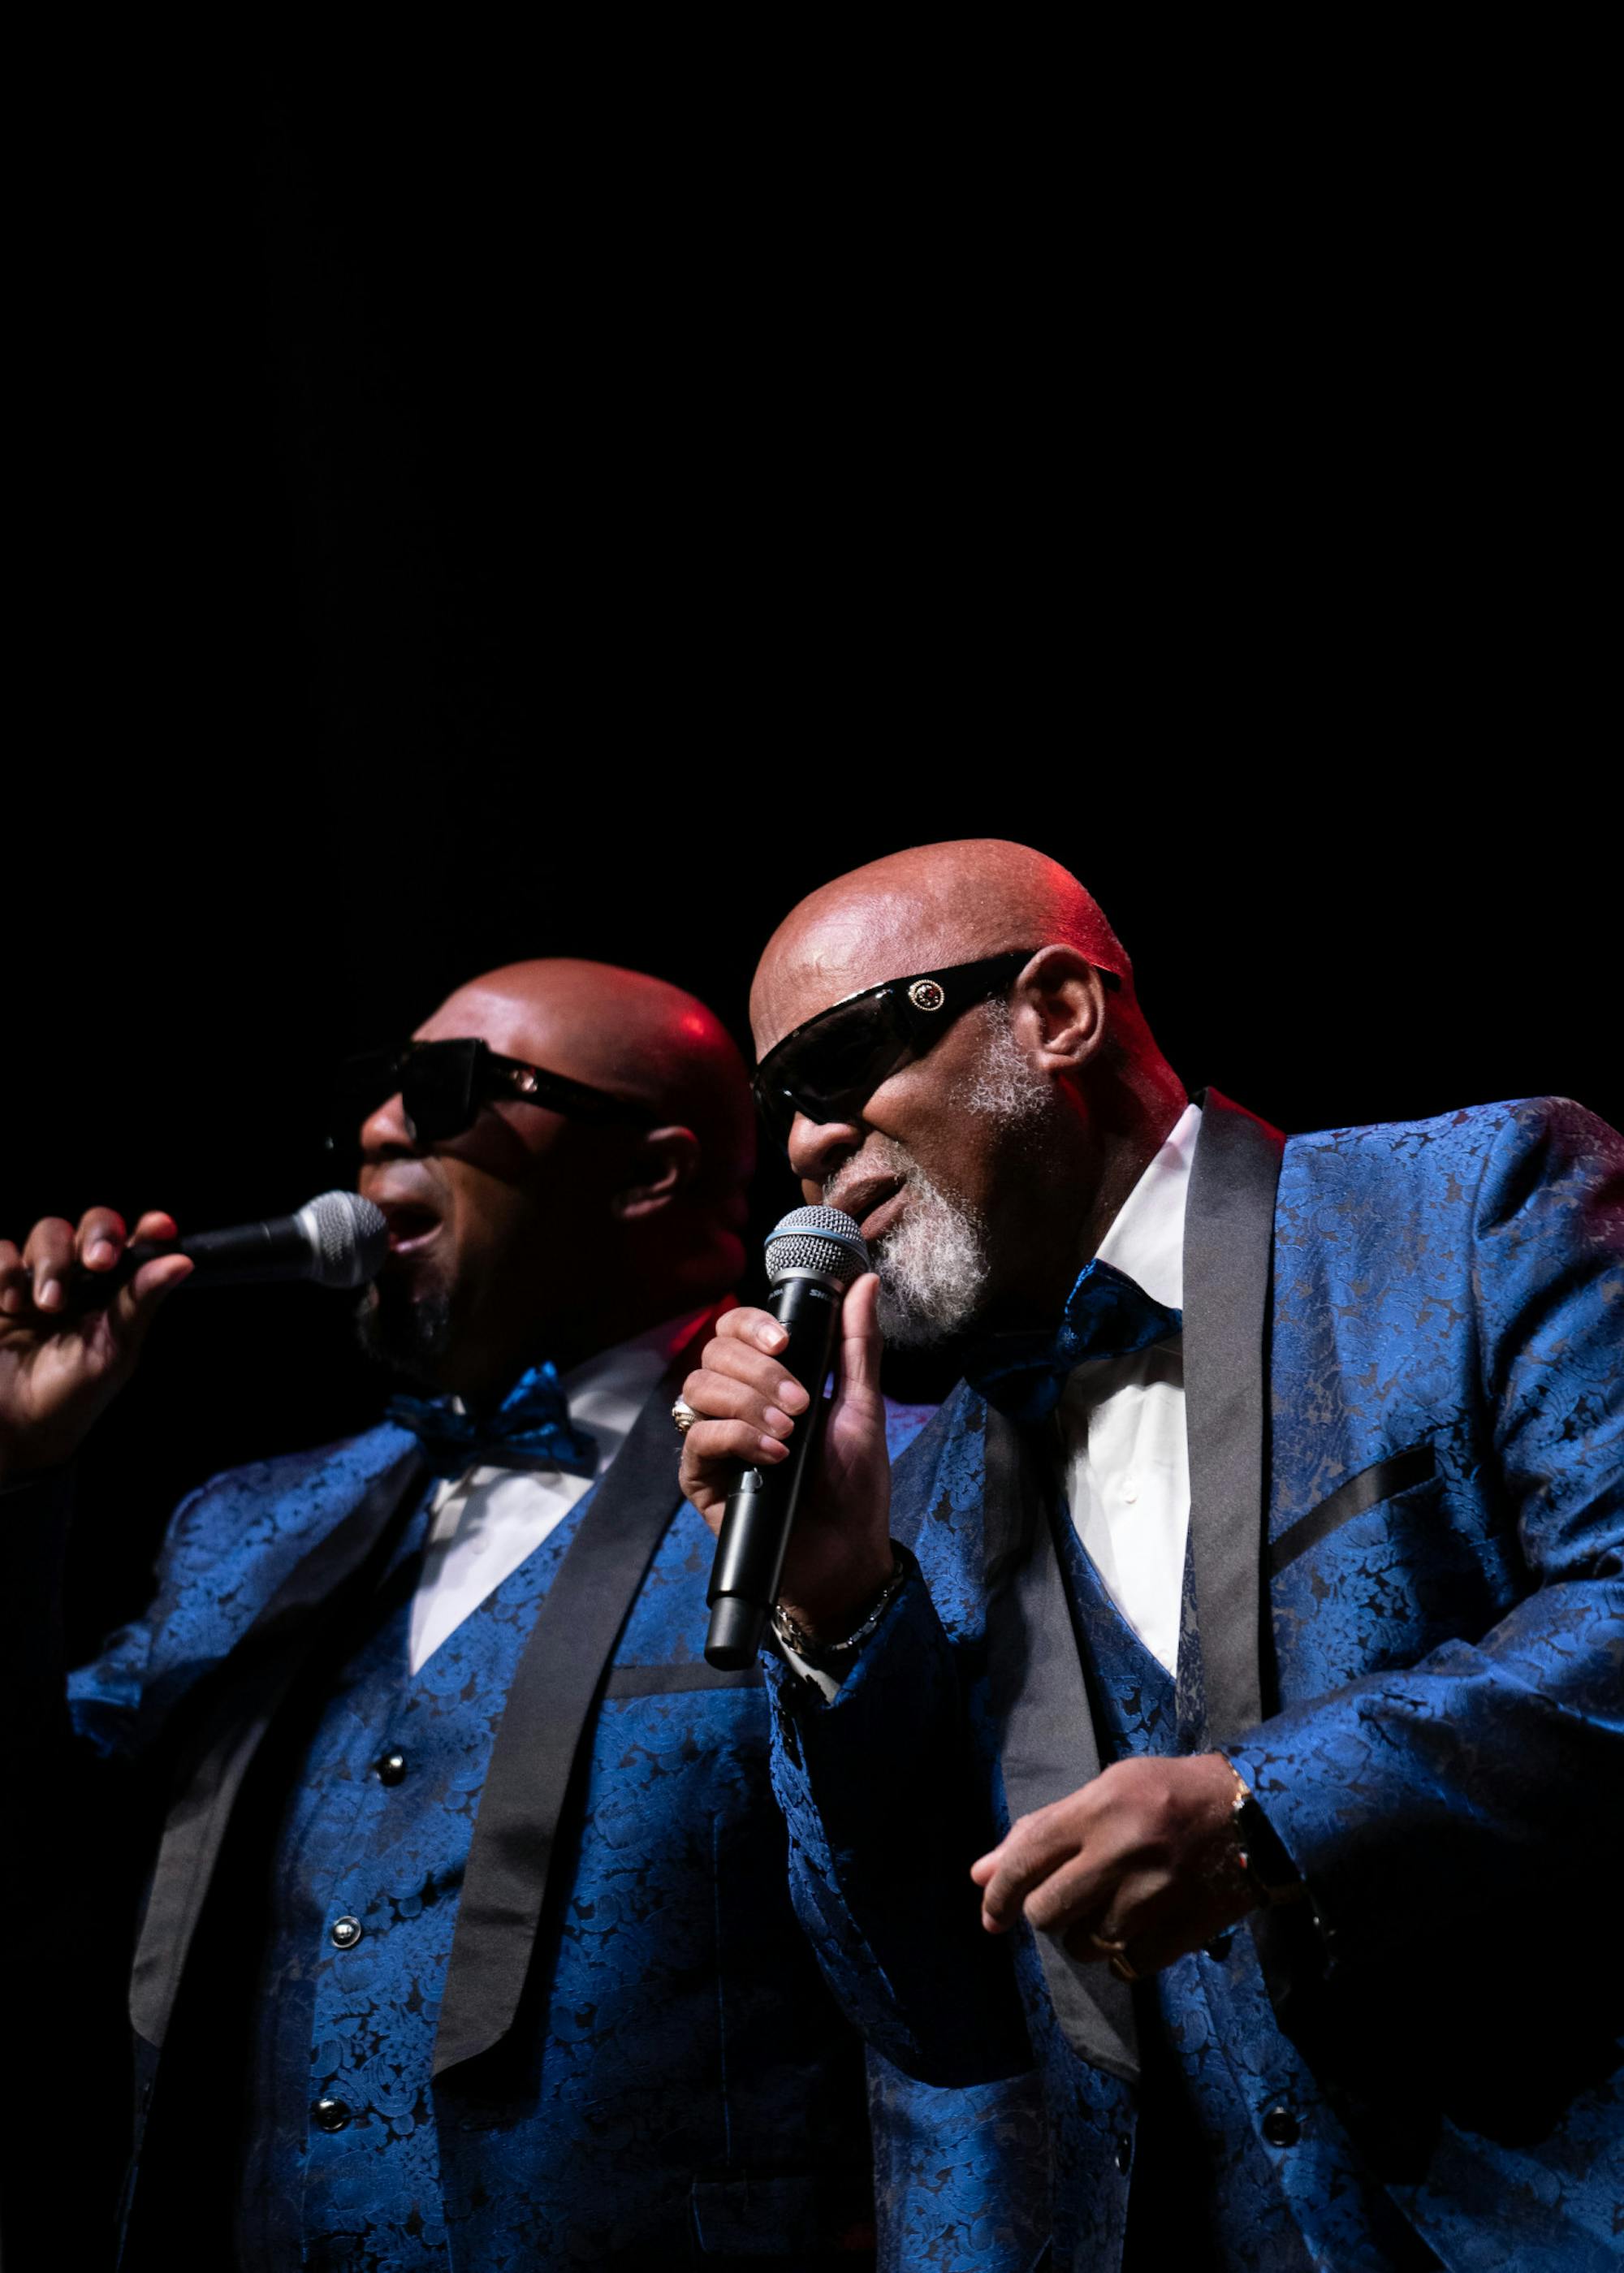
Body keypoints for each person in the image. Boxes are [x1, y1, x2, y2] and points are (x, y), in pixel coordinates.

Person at [0, 956, 1043, 2271]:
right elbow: (30, 1853)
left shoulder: (895, 1475)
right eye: (378, 1090)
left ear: (649, 1173)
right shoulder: (249, 1526)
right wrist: (17, 1477)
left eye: (449, 1089)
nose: (383, 1127)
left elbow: (981, 1995)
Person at [676, 841, 1624, 2272]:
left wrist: (1267, 1810)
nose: (807, 1141)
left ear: (1057, 1012)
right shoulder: (909, 1486)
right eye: (779, 1106)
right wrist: (834, 1606)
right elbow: (925, 2011)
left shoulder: (1467, 1208)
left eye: (843, 1060)